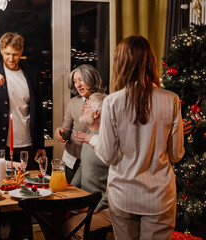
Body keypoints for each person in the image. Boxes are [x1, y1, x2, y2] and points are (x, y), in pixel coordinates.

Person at [81, 36, 185, 239]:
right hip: (158, 195)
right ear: (150, 62)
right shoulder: (171, 100)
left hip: (123, 194)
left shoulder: (112, 102)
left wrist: (93, 140)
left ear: (121, 64)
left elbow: (108, 155)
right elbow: (176, 154)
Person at [0, 32, 45, 169]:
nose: (11, 58)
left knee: (27, 185)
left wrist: (40, 144)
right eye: (7, 54)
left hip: (28, 143)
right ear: (1, 51)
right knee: (2, 186)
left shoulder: (31, 75)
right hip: (2, 144)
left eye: (15, 54)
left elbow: (38, 112)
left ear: (21, 52)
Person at [63, 93, 111, 239]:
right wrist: (69, 191)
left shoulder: (107, 140)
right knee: (53, 216)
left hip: (106, 207)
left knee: (70, 228)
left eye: (87, 105)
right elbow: (82, 167)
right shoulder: (89, 132)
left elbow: (114, 182)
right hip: (87, 201)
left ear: (96, 113)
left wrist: (95, 208)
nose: (83, 109)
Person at [55, 64, 105, 182]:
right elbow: (66, 130)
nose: (78, 85)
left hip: (94, 159)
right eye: (75, 81)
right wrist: (60, 133)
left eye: (81, 80)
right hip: (72, 159)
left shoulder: (106, 102)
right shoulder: (73, 103)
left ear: (91, 78)